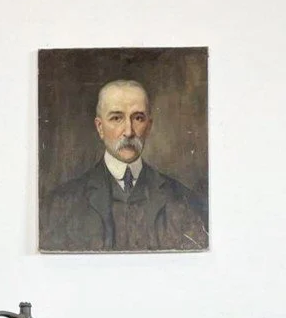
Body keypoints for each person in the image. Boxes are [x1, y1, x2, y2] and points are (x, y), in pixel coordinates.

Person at [40, 79, 208, 252]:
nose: (128, 131)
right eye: (116, 118)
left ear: (149, 126)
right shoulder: (59, 205)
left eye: (138, 118)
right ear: (100, 127)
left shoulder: (185, 201)